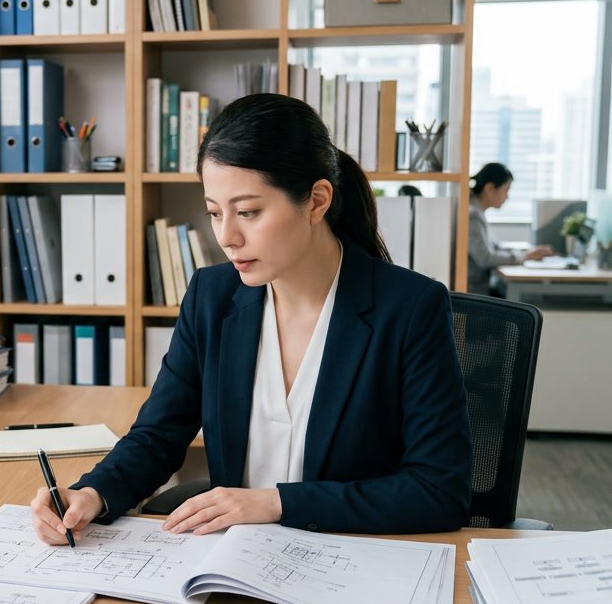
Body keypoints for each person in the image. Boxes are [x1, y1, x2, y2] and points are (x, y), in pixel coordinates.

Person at [30, 93, 473, 544]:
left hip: (352, 557)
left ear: (317, 201)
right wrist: (92, 493)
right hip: (231, 563)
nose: (226, 236)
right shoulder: (212, 297)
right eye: (214, 213)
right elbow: (158, 435)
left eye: (248, 212)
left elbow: (439, 489)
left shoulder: (410, 307)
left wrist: (274, 502)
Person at [466, 163, 552, 297]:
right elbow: (485, 258)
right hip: (475, 293)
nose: (507, 197)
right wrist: (525, 257)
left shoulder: (476, 211)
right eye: (506, 190)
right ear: (489, 188)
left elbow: (493, 246)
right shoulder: (473, 216)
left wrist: (525, 253)